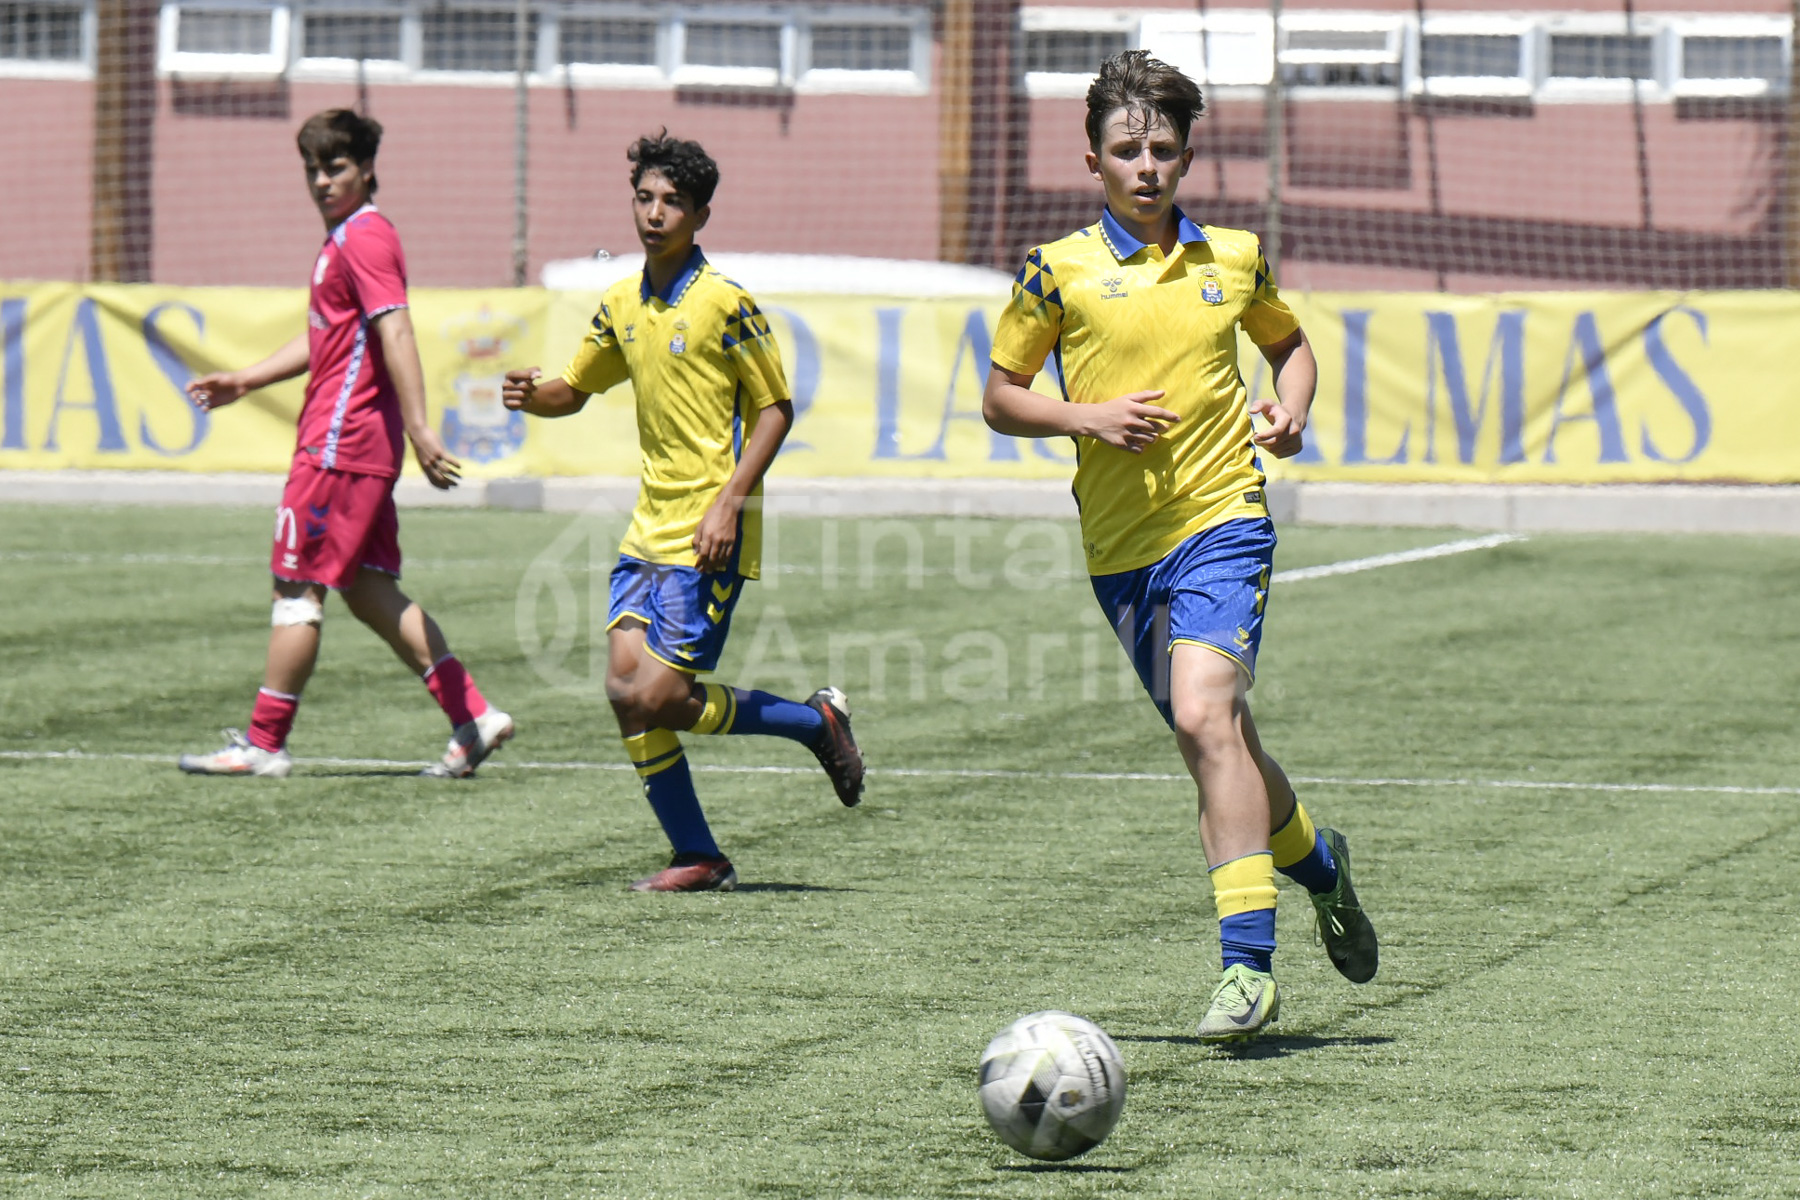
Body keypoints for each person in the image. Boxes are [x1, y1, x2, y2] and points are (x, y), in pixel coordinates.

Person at [983, 51, 1377, 1042]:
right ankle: (1321, 865)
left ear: (1188, 157)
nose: (1146, 166)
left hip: (1223, 521)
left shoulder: (1234, 258)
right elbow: (1000, 397)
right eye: (1128, 151)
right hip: (1121, 551)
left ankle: (1248, 970)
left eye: (1162, 148)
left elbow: (1290, 346)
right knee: (1223, 743)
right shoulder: (1055, 270)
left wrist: (1289, 411)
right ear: (1093, 161)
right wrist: (1087, 416)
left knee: (1206, 715)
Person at [500, 131, 863, 893]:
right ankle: (698, 855)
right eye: (645, 198)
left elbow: (775, 410)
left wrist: (730, 503)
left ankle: (815, 723)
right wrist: (533, 396)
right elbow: (575, 388)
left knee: (661, 696)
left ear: (700, 215)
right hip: (648, 527)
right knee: (625, 693)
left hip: (709, 527)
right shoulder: (620, 303)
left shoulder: (724, 302)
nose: (655, 213)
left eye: (673, 202)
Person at [179, 109, 513, 781]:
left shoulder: (364, 236)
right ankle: (473, 716)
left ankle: (264, 744)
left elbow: (397, 331)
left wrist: (421, 427)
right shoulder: (349, 238)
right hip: (359, 444)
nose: (321, 182)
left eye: (335, 168)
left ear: (366, 169)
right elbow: (329, 336)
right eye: (313, 169)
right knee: (367, 588)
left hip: (338, 444)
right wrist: (245, 379)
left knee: (296, 588)